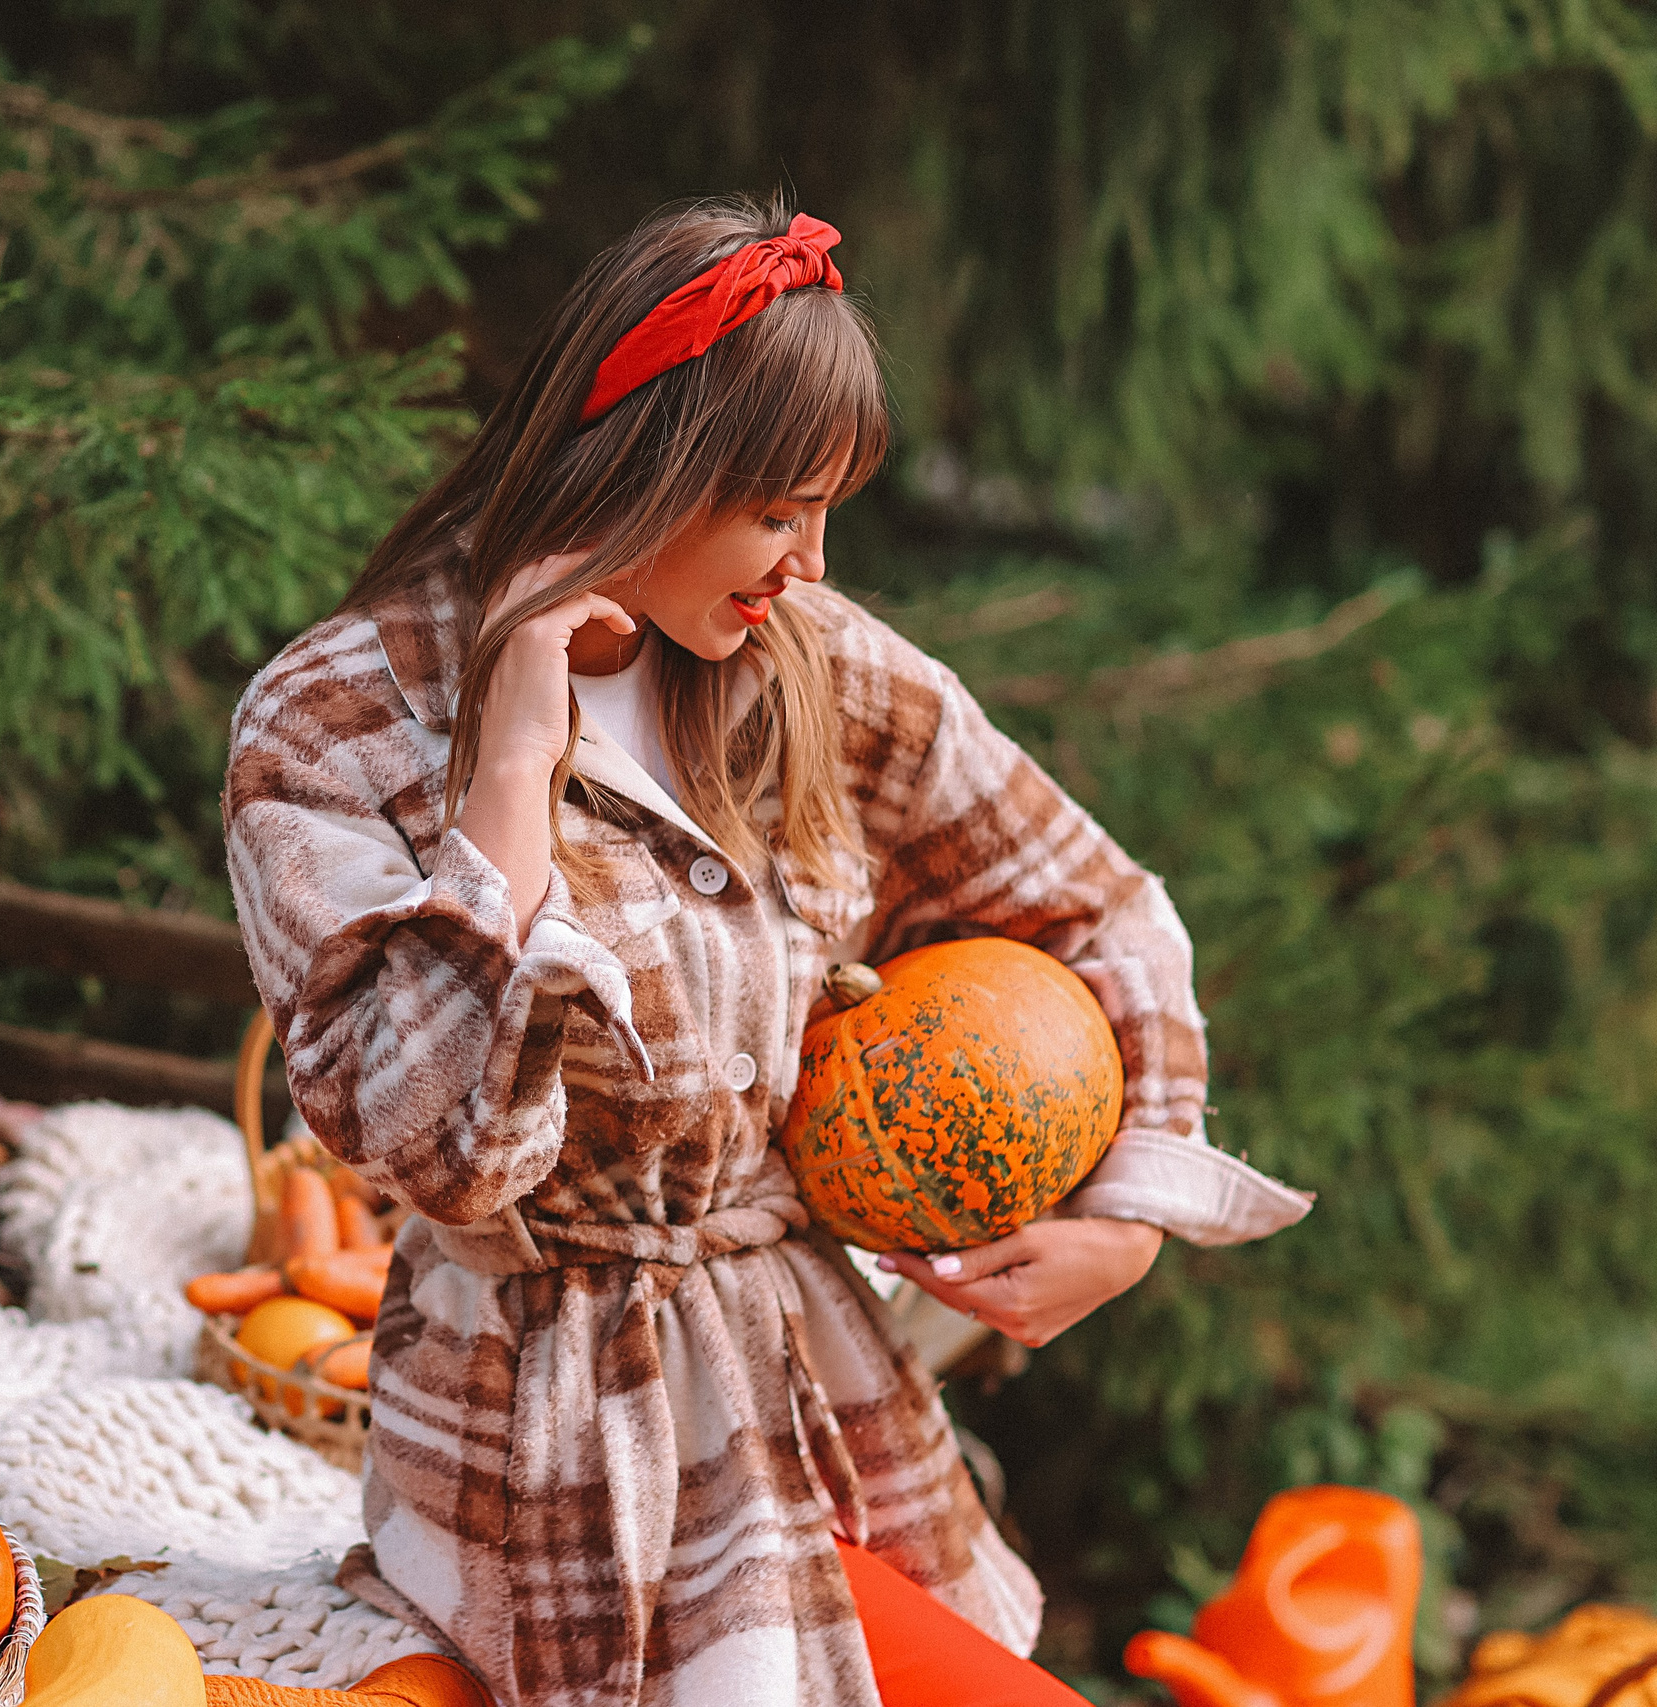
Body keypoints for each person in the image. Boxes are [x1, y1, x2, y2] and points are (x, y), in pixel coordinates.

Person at [222, 198, 1311, 1707]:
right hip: (548, 1472)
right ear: (646, 465)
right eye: (779, 512)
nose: (809, 560)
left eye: (826, 512)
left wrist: (1129, 1212)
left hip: (822, 1421)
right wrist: (511, 777)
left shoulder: (814, 669)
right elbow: (440, 1155)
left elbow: (1097, 904)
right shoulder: (337, 720)